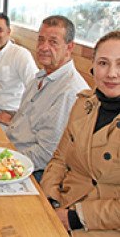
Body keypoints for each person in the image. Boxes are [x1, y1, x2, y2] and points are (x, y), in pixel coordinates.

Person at [40, 31, 120, 235]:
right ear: (92, 65)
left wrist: (75, 218)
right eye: (103, 63)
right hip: (63, 204)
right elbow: (59, 159)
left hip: (102, 224)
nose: (111, 73)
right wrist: (51, 198)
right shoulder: (83, 104)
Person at [5, 15, 89, 182]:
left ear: (69, 47)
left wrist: (2, 161)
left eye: (53, 42)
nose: (43, 47)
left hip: (32, 171)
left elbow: (45, 154)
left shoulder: (70, 91)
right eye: (41, 40)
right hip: (11, 150)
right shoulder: (39, 77)